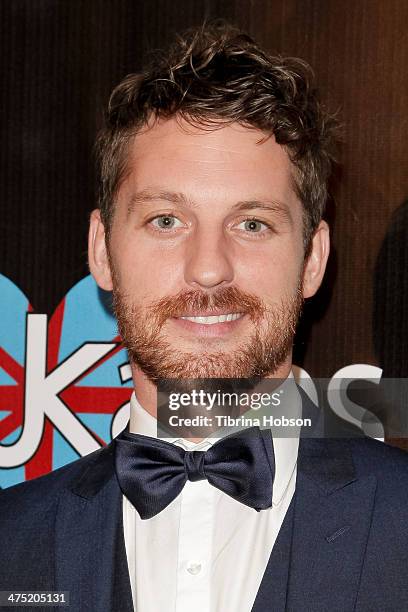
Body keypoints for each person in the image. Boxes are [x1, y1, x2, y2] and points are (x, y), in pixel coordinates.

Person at [1, 22, 407, 612]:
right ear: (101, 250)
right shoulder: (12, 544)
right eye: (167, 220)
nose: (210, 269)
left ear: (313, 259)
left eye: (252, 224)